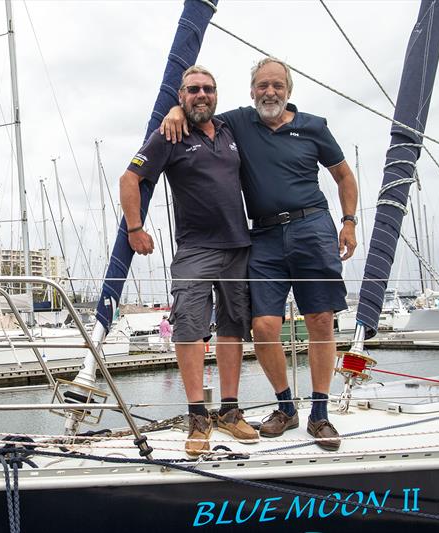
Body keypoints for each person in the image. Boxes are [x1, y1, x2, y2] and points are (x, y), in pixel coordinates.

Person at [161, 57, 357, 451]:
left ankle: (320, 413)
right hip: (264, 234)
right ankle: (286, 407)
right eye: (262, 86)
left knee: (319, 319)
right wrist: (173, 108)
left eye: (277, 86)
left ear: (288, 91)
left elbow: (343, 176)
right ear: (252, 91)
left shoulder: (314, 127)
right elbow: (200, 107)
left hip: (312, 226)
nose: (270, 92)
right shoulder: (238, 122)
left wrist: (349, 221)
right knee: (265, 326)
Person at [121, 65, 258, 458]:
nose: (202, 95)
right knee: (189, 330)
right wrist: (135, 229)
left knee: (234, 327)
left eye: (208, 89)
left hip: (238, 247)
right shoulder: (170, 134)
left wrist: (179, 106)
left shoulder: (231, 129)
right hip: (195, 249)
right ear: (181, 96)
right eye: (193, 90)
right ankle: (198, 417)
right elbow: (130, 179)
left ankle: (230, 411)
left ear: (217, 95)